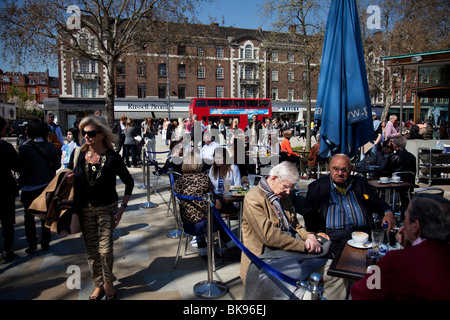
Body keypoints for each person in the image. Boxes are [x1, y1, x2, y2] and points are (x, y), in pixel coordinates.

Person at [67, 116, 134, 300]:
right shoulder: (80, 154)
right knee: (92, 250)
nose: (87, 136)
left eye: (91, 133)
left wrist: (123, 208)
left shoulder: (112, 158)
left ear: (101, 134)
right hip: (85, 209)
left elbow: (129, 182)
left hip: (107, 208)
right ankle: (98, 284)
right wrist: (71, 179)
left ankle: (108, 282)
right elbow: (72, 174)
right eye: (84, 133)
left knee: (105, 249)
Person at [240, 162, 325, 294]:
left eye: (290, 188)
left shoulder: (283, 197)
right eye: (285, 187)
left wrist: (309, 236)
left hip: (285, 253)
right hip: (263, 258)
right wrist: (304, 246)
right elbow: (270, 237)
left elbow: (295, 224)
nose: (288, 191)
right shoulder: (253, 198)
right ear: (273, 178)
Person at [351, 194, 450, 300]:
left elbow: (359, 293)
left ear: (415, 226)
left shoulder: (396, 260)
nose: (402, 224)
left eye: (404, 218)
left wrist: (406, 251)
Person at [173, 152, 234, 257]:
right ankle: (228, 241)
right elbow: (212, 196)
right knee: (215, 212)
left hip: (187, 222)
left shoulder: (178, 182)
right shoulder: (203, 179)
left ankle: (202, 245)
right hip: (205, 223)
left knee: (204, 212)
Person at [18, 119, 61, 254]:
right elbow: (57, 165)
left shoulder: (24, 148)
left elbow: (19, 167)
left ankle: (31, 244)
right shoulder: (50, 147)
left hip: (28, 187)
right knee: (45, 216)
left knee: (28, 217)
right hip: (46, 186)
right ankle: (45, 242)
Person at [0, 116, 22, 263]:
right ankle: (7, 250)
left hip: (5, 189)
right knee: (7, 222)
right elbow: (17, 166)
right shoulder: (5, 147)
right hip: (4, 188)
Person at [209, 147, 241, 214]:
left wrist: (229, 188)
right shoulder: (213, 168)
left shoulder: (233, 168)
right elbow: (209, 185)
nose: (217, 160)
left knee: (215, 204)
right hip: (216, 196)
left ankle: (217, 223)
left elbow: (238, 187)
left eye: (220, 158)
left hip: (229, 198)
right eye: (216, 158)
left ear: (225, 158)